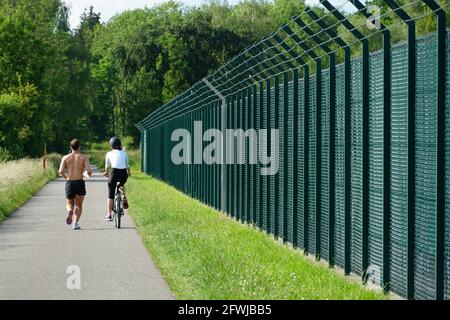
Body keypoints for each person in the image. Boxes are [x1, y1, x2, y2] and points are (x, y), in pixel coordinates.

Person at [59, 139, 93, 230]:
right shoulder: (83, 157)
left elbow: (60, 171)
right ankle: (75, 223)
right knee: (79, 205)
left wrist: (66, 178)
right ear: (79, 147)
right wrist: (86, 174)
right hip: (79, 182)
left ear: (70, 147)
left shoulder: (65, 158)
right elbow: (89, 171)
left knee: (69, 203)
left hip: (69, 182)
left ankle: (70, 210)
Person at [103, 137, 130, 221]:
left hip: (114, 173)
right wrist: (129, 173)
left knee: (110, 195)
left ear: (111, 145)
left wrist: (106, 173)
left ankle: (109, 215)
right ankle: (124, 197)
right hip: (123, 174)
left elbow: (107, 166)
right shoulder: (124, 153)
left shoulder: (109, 153)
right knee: (121, 184)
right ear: (120, 145)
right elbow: (127, 165)